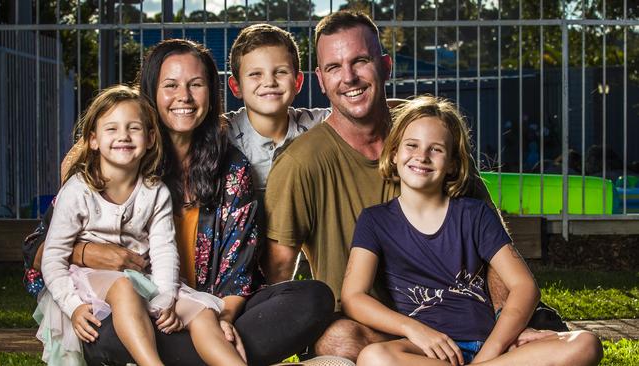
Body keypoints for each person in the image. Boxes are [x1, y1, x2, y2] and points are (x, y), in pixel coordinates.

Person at [263, 10, 565, 361]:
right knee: (338, 340)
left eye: (360, 61)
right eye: (334, 67)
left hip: (464, 317)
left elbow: (494, 249)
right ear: (320, 78)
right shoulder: (301, 162)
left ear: (386, 66)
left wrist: (505, 324)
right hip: (380, 328)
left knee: (552, 337)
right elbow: (278, 273)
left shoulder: (425, 131)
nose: (348, 77)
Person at [23, 39, 334, 366]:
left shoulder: (231, 169)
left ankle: (198, 352)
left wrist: (223, 318)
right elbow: (36, 250)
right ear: (150, 92)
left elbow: (238, 275)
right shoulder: (117, 163)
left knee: (313, 298)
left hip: (203, 310)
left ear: (211, 94)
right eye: (170, 85)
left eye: (196, 85)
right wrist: (89, 253)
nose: (184, 97)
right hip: (132, 312)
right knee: (105, 332)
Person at [342, 96, 603, 366]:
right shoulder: (375, 221)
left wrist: (492, 350)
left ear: (453, 164)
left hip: (490, 347)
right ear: (394, 153)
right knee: (374, 358)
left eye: (436, 149)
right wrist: (413, 329)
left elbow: (524, 286)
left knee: (584, 344)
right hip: (429, 353)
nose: (422, 156)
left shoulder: (474, 214)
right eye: (412, 145)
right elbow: (353, 297)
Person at [37, 85, 245, 366]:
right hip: (88, 280)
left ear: (149, 139)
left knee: (203, 312)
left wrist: (166, 300)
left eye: (133, 128)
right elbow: (53, 258)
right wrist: (73, 306)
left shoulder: (154, 191)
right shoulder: (77, 191)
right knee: (123, 286)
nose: (123, 136)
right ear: (93, 140)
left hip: (142, 279)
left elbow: (164, 252)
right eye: (111, 129)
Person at [226, 23, 330, 195]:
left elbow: (371, 113)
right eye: (255, 74)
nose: (269, 82)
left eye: (281, 72)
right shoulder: (222, 132)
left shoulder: (320, 124)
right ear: (236, 86)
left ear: (298, 82)